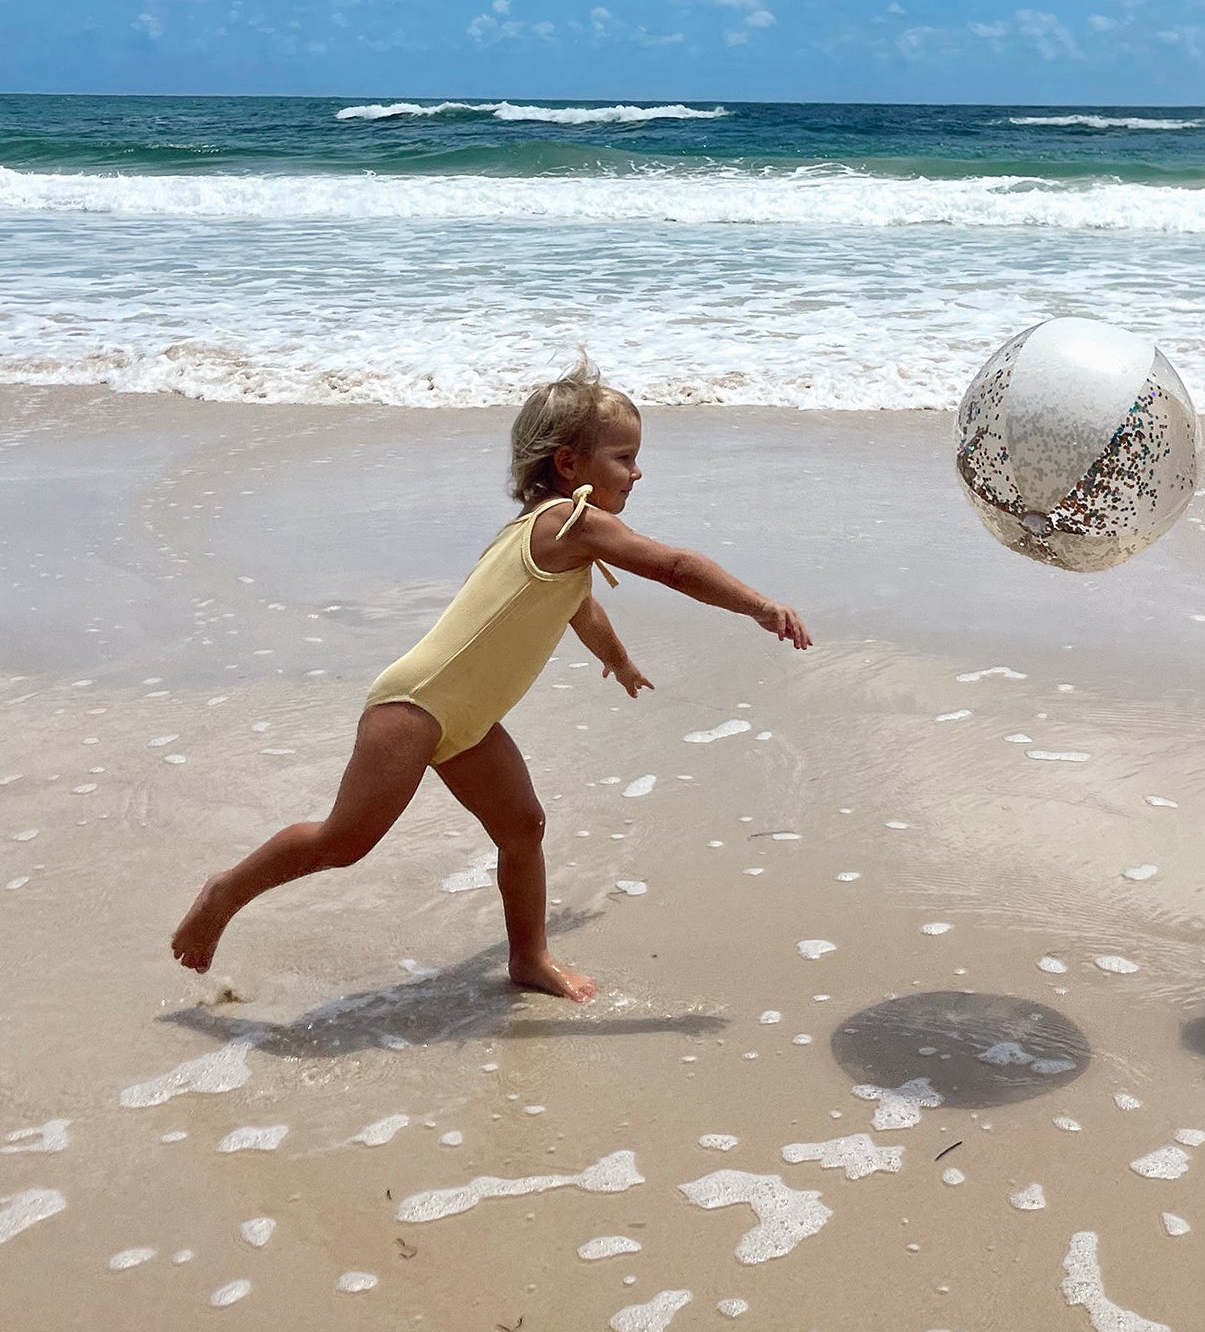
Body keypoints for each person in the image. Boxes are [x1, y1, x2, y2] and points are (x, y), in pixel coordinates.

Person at [171, 358, 811, 1000]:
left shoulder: (550, 535)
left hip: (466, 721)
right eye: (623, 457)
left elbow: (577, 605)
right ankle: (224, 892)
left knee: (521, 827)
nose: (637, 472)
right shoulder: (571, 520)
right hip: (414, 708)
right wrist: (760, 606)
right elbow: (673, 566)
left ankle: (528, 959)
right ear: (569, 464)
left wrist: (614, 658)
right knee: (343, 842)